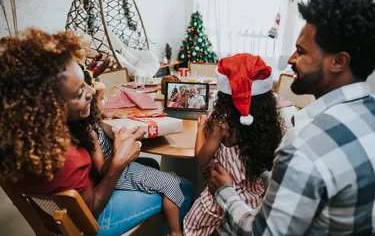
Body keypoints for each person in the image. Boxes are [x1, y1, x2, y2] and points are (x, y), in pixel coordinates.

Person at [208, 0, 375, 235]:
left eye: (302, 51)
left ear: (339, 62)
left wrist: (225, 192)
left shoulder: (304, 144)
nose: (290, 59)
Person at [0, 28, 194, 236]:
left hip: (64, 208)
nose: (92, 91)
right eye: (79, 93)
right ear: (49, 110)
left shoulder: (21, 137)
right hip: (87, 222)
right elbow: (89, 215)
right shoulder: (70, 160)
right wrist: (117, 163)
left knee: (150, 164)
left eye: (85, 82)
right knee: (183, 188)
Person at [183, 54, 284, 236]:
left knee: (193, 226)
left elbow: (201, 159)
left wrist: (200, 128)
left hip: (220, 193)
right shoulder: (268, 124)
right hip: (253, 196)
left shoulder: (222, 123)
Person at [83, 72, 186, 236]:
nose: (106, 103)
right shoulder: (91, 133)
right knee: (171, 183)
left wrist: (104, 113)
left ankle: (159, 221)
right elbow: (104, 170)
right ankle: (175, 232)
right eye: (102, 100)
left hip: (119, 169)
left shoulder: (89, 123)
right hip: (118, 173)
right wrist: (120, 149)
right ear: (90, 104)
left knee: (153, 165)